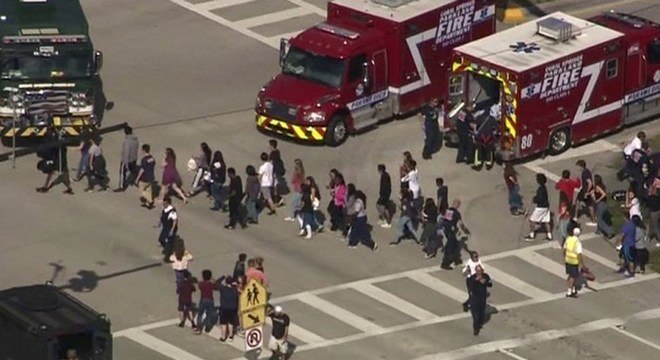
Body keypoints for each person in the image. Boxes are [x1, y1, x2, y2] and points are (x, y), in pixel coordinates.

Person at [441, 199, 470, 270]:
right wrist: (465, 230)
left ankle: (457, 259)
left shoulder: (448, 211)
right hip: (450, 231)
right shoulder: (457, 213)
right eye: (458, 204)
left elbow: (446, 221)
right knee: (450, 247)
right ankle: (445, 263)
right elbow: (461, 223)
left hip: (447, 230)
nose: (459, 205)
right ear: (457, 204)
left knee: (455, 245)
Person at [525, 173, 552, 241]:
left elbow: (539, 199)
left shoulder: (540, 189)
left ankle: (532, 235)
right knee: (546, 220)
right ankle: (549, 235)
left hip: (540, 207)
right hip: (546, 206)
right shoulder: (544, 187)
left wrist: (534, 199)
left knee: (532, 220)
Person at [467, 265, 492, 336]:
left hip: (482, 299)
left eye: (480, 271)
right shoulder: (472, 278)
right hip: (475, 299)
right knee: (476, 316)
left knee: (481, 314)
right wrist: (476, 280)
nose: (479, 272)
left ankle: (479, 324)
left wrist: (484, 282)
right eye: (478, 271)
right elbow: (470, 287)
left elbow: (490, 284)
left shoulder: (485, 276)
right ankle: (476, 329)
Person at [114, 126, 139, 192]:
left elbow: (126, 153)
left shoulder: (126, 141)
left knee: (122, 173)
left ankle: (121, 186)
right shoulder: (135, 140)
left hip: (126, 160)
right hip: (133, 159)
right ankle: (137, 181)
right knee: (133, 171)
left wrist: (126, 164)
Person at [195, 269, 217, 334]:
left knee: (200, 314)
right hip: (210, 300)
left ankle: (199, 327)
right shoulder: (211, 284)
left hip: (203, 299)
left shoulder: (201, 284)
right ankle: (207, 327)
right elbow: (216, 287)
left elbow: (199, 286)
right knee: (209, 314)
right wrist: (213, 280)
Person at [564, 227, 584, 298]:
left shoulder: (568, 239)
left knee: (571, 275)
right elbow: (579, 254)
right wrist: (582, 264)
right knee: (573, 276)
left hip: (567, 260)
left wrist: (564, 257)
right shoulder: (577, 242)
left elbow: (564, 249)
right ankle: (569, 292)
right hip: (574, 261)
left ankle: (572, 289)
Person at [217, 275, 239, 341]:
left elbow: (217, 282)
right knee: (231, 322)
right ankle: (231, 336)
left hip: (224, 308)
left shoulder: (223, 288)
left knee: (223, 323)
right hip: (233, 308)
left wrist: (223, 276)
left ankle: (223, 337)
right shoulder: (235, 289)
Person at [593, 175, 615, 239]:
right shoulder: (602, 185)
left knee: (600, 219)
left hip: (600, 204)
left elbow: (604, 194)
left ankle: (609, 232)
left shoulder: (598, 186)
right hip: (604, 204)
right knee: (603, 218)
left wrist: (598, 200)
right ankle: (599, 230)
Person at [157, 196, 178, 262]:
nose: (164, 205)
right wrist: (160, 222)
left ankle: (170, 254)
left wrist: (172, 230)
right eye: (163, 203)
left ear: (168, 203)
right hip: (165, 226)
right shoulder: (164, 208)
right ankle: (169, 249)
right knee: (161, 239)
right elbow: (162, 215)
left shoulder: (172, 211)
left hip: (170, 227)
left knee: (168, 241)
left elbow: (175, 220)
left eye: (165, 203)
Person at [575, 160, 596, 226]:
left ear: (581, 166)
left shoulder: (585, 173)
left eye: (578, 166)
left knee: (588, 205)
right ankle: (593, 219)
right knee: (588, 205)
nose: (577, 168)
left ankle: (576, 217)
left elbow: (590, 183)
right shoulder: (586, 171)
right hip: (584, 190)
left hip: (585, 191)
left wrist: (587, 192)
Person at [135, 144, 156, 209]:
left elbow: (142, 169)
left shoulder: (144, 160)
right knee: (148, 190)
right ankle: (148, 204)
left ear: (143, 150)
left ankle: (150, 201)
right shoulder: (152, 158)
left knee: (141, 190)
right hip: (151, 176)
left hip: (145, 178)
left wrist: (137, 178)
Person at [269, 139, 287, 207]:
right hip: (278, 171)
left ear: (272, 146)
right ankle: (276, 199)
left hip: (275, 172)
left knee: (275, 187)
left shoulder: (272, 154)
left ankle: (278, 200)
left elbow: (270, 162)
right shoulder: (277, 152)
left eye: (270, 145)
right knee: (274, 186)